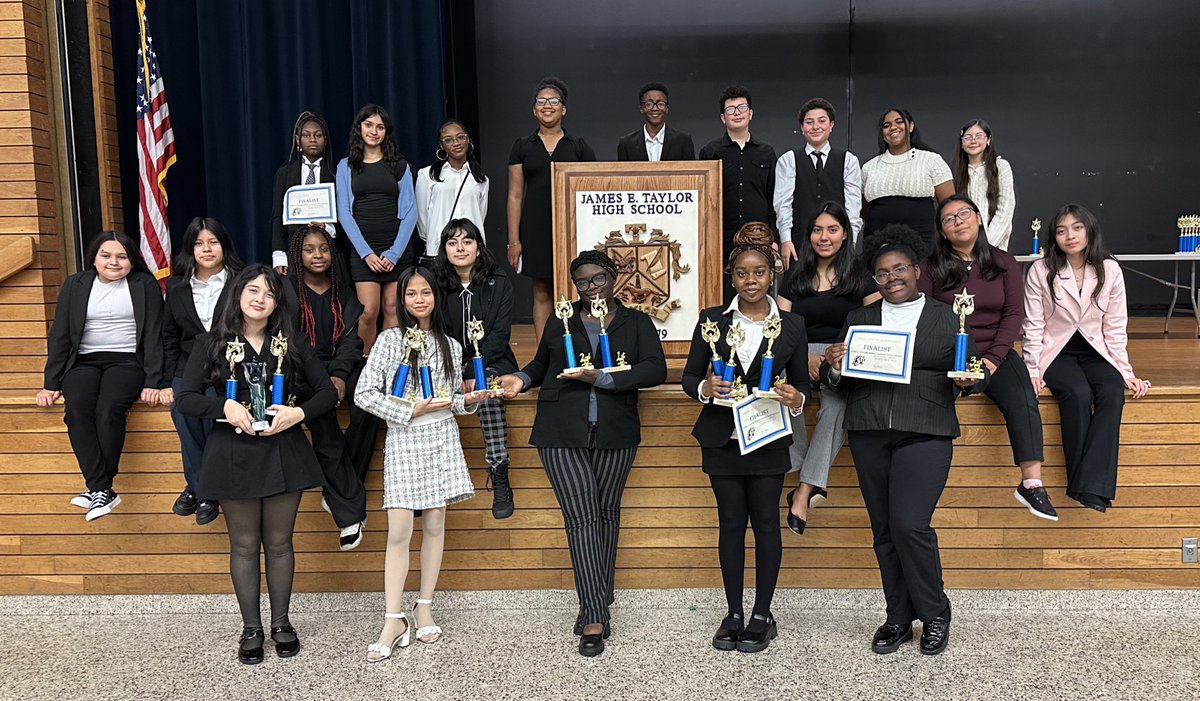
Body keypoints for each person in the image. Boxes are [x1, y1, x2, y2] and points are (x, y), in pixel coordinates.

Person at [821, 225, 987, 656]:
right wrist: (834, 366)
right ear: (873, 279)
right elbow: (836, 382)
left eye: (899, 269)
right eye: (882, 272)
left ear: (916, 270)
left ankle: (934, 614)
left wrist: (971, 381)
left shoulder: (947, 316)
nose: (892, 277)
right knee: (884, 531)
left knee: (910, 525)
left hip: (926, 429)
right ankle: (898, 617)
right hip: (869, 429)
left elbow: (966, 372)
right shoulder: (859, 318)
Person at [496, 250, 667, 658]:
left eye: (596, 280)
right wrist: (520, 379)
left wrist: (604, 378)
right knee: (582, 517)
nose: (589, 288)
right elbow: (540, 364)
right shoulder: (562, 317)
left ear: (613, 277)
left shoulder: (637, 321)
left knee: (606, 514)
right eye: (582, 283)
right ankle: (593, 613)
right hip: (560, 429)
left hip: (615, 430)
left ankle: (597, 602)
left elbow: (655, 369)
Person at [175, 265, 338, 665]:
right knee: (245, 546)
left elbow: (326, 394)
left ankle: (282, 623)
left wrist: (296, 415)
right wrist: (224, 406)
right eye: (252, 290)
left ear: (277, 303)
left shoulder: (292, 342)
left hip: (284, 451)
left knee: (280, 544)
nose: (259, 298)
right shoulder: (213, 342)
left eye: (268, 293)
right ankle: (252, 627)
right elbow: (186, 398)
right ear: (237, 295)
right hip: (232, 453)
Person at [682, 223, 809, 653]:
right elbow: (687, 378)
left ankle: (762, 614)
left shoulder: (792, 325)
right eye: (741, 274)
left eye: (758, 273)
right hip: (723, 437)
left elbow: (798, 388)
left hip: (769, 437)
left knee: (766, 524)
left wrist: (796, 398)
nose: (750, 281)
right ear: (731, 277)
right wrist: (705, 389)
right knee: (731, 524)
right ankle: (733, 612)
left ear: (772, 274)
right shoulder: (711, 320)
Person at [355, 266, 489, 662]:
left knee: (435, 525)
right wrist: (407, 409)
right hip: (405, 437)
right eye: (410, 293)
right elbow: (365, 393)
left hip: (442, 438)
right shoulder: (387, 340)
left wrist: (474, 400)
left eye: (425, 292)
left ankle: (424, 605)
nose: (418, 300)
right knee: (399, 530)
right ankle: (393, 618)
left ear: (435, 296)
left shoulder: (451, 344)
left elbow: (451, 402)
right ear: (400, 298)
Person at [918, 195, 1057, 520]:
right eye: (948, 219)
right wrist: (952, 362)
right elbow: (924, 314)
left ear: (979, 218)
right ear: (942, 231)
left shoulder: (1003, 262)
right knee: (926, 396)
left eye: (964, 213)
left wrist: (991, 363)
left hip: (995, 350)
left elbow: (1012, 315)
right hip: (946, 352)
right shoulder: (930, 266)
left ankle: (1032, 483)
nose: (958, 221)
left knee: (1022, 395)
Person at [1022, 204, 1151, 512]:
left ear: (1090, 230)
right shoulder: (1041, 270)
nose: (1070, 235)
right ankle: (1090, 488)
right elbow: (1033, 324)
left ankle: (1088, 486)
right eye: (1062, 230)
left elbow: (1116, 326)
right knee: (1077, 393)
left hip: (1096, 350)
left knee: (1110, 391)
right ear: (1054, 237)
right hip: (1057, 351)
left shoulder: (1109, 269)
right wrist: (1031, 369)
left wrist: (1125, 371)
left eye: (1077, 228)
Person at [36, 230, 165, 521]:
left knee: (109, 409)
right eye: (106, 255)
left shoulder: (144, 284)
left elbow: (155, 334)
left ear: (132, 261)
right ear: (93, 258)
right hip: (83, 361)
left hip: (127, 361)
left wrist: (154, 381)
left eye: (122, 256)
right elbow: (60, 336)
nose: (114, 262)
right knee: (78, 408)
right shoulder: (75, 285)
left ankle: (97, 489)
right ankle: (102, 488)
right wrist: (50, 383)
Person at [776, 202, 874, 533]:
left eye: (832, 229)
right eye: (818, 230)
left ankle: (803, 491)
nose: (824, 237)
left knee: (837, 408)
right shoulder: (793, 276)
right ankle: (808, 473)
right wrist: (801, 357)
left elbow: (874, 326)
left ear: (845, 234)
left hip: (842, 356)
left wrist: (837, 357)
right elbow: (781, 327)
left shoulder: (861, 276)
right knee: (788, 400)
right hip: (797, 354)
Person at [284, 225, 371, 549]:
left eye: (323, 248)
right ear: (299, 254)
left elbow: (351, 341)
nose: (318, 255)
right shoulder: (287, 291)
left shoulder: (343, 292)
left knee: (367, 400)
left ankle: (337, 490)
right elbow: (293, 344)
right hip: (301, 371)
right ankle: (349, 513)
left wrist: (338, 375)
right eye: (309, 249)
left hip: (339, 366)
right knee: (322, 416)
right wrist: (325, 382)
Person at [433, 218, 519, 519]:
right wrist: (459, 370)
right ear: (444, 249)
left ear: (478, 248)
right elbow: (435, 333)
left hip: (492, 360)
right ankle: (429, 481)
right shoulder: (434, 283)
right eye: (452, 242)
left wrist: (472, 373)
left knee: (488, 388)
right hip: (446, 361)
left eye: (467, 241)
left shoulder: (499, 281)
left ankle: (499, 471)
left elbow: (499, 336)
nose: (460, 248)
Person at [161, 217, 245, 525]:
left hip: (231, 366)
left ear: (224, 246)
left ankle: (200, 488)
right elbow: (169, 336)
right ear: (190, 249)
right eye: (199, 243)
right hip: (189, 365)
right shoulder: (177, 287)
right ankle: (204, 490)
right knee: (182, 410)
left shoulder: (241, 280)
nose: (206, 249)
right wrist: (167, 380)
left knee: (213, 409)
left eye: (213, 242)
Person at [507, 76, 597, 345]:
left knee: (579, 290)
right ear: (534, 109)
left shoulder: (578, 146)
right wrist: (514, 240)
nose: (548, 106)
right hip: (535, 230)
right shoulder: (523, 146)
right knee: (542, 292)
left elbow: (593, 190)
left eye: (554, 101)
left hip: (573, 231)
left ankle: (580, 350)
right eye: (541, 101)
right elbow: (514, 194)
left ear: (564, 108)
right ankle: (545, 356)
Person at [336, 104, 417, 354]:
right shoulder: (346, 166)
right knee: (369, 312)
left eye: (380, 127)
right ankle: (365, 366)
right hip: (364, 253)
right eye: (369, 125)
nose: (374, 131)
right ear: (359, 129)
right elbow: (344, 213)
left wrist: (393, 253)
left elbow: (411, 212)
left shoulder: (400, 165)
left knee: (393, 308)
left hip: (397, 250)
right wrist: (367, 254)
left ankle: (388, 365)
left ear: (386, 132)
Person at [699, 86, 777, 304]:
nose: (737, 112)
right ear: (723, 117)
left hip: (759, 238)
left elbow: (773, 197)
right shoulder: (710, 151)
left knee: (759, 294)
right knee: (723, 296)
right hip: (721, 239)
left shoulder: (766, 152)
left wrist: (774, 238)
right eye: (730, 109)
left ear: (750, 113)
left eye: (742, 107)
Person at [774, 97, 863, 268]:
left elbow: (853, 208)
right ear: (802, 128)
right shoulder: (788, 160)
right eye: (809, 122)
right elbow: (782, 205)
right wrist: (786, 240)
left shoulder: (848, 161)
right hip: (799, 245)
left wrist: (850, 244)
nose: (815, 127)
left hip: (837, 245)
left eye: (822, 121)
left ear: (831, 125)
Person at [270, 111, 344, 277]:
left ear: (325, 140)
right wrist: (279, 255)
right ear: (298, 140)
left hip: (329, 250)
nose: (312, 140)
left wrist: (328, 228)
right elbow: (278, 216)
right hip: (294, 250)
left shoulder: (337, 173)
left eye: (318, 135)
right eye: (306, 135)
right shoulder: (285, 174)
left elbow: (346, 215)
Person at [860, 108, 953, 240]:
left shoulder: (932, 160)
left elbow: (949, 206)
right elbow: (863, 211)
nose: (893, 127)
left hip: (921, 242)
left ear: (911, 126)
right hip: (877, 243)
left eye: (899, 122)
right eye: (886, 126)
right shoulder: (869, 167)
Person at [415, 119, 489, 266]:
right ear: (441, 145)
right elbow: (422, 222)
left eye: (461, 137)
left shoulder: (481, 179)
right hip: (438, 250)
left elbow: (480, 215)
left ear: (468, 139)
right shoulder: (427, 175)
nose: (456, 143)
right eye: (448, 140)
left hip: (472, 252)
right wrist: (435, 238)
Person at [951, 119, 1016, 251]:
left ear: (988, 141)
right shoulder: (954, 171)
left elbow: (1005, 209)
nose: (973, 141)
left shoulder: (1001, 166)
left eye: (979, 136)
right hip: (962, 250)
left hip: (994, 247)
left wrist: (986, 245)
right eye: (968, 137)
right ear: (962, 143)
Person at [615, 82, 695, 161]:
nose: (655, 108)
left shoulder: (683, 141)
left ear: (667, 108)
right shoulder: (626, 144)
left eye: (660, 104)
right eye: (649, 104)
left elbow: (692, 173)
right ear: (641, 109)